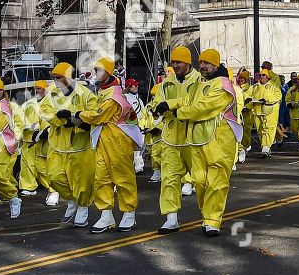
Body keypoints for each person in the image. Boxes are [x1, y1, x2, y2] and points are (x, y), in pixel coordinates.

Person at [171, 49, 241, 236]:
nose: (202, 66)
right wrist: (169, 104)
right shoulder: (201, 83)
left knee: (216, 181)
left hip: (219, 141)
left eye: (206, 63)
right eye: (200, 62)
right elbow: (188, 99)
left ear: (216, 65)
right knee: (199, 181)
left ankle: (212, 219)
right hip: (198, 140)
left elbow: (204, 107)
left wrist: (179, 113)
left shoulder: (223, 85)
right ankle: (207, 215)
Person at [78, 57, 141, 233]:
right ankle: (106, 214)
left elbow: (98, 115)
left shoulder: (114, 95)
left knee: (123, 177)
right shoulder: (104, 91)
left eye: (99, 70)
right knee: (101, 178)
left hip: (118, 141)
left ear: (108, 72)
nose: (95, 73)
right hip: (103, 140)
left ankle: (129, 212)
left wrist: (77, 115)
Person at [148, 48, 199, 232]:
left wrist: (170, 104)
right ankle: (171, 218)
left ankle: (210, 218)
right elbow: (156, 103)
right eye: (173, 62)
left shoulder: (199, 81)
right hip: (170, 138)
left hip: (194, 138)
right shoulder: (166, 83)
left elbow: (195, 103)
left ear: (188, 62)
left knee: (201, 179)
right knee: (168, 179)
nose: (175, 65)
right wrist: (157, 107)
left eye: (179, 62)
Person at [46, 61, 95, 227]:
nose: (56, 82)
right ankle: (72, 201)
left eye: (59, 78)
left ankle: (82, 207)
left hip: (79, 146)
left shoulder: (85, 94)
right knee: (54, 177)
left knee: (81, 180)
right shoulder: (52, 93)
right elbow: (45, 111)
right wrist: (59, 118)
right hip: (57, 144)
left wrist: (75, 119)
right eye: (54, 78)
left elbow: (93, 115)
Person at [0, 78, 23, 220]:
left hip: (5, 146)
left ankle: (13, 197)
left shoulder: (11, 106)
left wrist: (16, 138)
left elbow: (19, 123)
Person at [250, 63, 283, 157]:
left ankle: (266, 147)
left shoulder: (274, 84)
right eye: (260, 75)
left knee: (268, 128)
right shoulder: (255, 87)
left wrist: (266, 99)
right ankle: (269, 143)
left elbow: (277, 95)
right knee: (260, 130)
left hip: (270, 110)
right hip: (257, 111)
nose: (261, 77)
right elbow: (249, 94)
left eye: (263, 75)